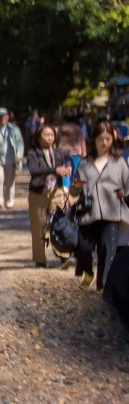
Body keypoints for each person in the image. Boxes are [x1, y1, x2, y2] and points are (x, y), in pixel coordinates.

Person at [73, 118, 129, 291]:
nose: (104, 143)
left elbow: (128, 186)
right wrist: (75, 189)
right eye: (100, 139)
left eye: (108, 139)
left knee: (107, 253)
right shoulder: (84, 163)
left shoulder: (118, 162)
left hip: (111, 214)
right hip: (88, 214)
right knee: (82, 248)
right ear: (94, 141)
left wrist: (124, 193)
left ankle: (103, 289)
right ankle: (88, 271)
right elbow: (75, 192)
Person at [25, 123, 70, 267]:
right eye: (46, 135)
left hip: (56, 190)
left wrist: (66, 174)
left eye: (52, 135)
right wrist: (54, 170)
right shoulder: (33, 153)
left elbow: (63, 169)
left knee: (61, 222)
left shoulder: (59, 153)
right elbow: (34, 170)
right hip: (38, 191)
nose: (50, 138)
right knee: (39, 225)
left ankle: (64, 255)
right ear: (38, 137)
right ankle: (40, 259)